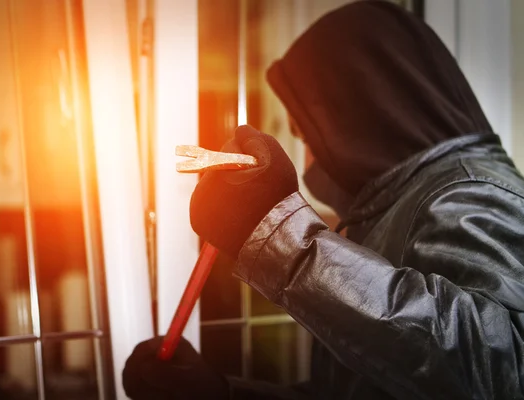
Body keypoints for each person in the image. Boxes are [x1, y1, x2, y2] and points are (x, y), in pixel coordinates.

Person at [122, 1, 524, 399]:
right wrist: (221, 394)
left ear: (359, 113)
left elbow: (502, 375)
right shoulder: (391, 205)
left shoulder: (469, 193)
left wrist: (282, 235)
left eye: (308, 136)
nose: (310, 157)